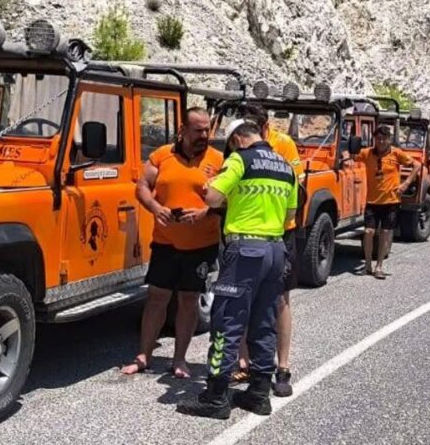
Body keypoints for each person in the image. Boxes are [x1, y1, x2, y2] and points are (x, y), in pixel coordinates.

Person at [177, 119, 298, 419]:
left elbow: (213, 197)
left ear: (237, 140)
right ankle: (258, 394)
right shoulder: (286, 166)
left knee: (227, 321)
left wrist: (224, 188)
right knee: (263, 320)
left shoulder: (239, 160)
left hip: (245, 250)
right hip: (275, 248)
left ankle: (216, 397)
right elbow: (291, 214)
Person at [120, 108, 223, 379]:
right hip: (165, 242)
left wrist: (206, 212)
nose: (204, 135)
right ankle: (143, 356)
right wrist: (155, 207)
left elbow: (227, 200)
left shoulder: (219, 160)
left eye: (207, 130)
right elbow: (142, 186)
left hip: (202, 244)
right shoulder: (161, 155)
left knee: (189, 301)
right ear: (183, 130)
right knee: (157, 298)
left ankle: (179, 360)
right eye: (198, 130)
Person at [233, 104, 302, 397]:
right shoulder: (237, 147)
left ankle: (282, 366)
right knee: (242, 297)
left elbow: (297, 185)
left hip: (279, 232)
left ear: (264, 127)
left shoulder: (283, 144)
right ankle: (245, 360)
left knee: (280, 300)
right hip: (246, 234)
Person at [354, 124, 421, 279]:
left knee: (385, 233)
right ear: (374, 140)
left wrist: (406, 183)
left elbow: (417, 165)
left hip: (391, 201)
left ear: (389, 139)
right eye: (378, 139)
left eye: (384, 139)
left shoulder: (396, 154)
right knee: (368, 232)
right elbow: (351, 155)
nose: (381, 142)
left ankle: (379, 266)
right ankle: (368, 265)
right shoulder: (367, 153)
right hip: (372, 201)